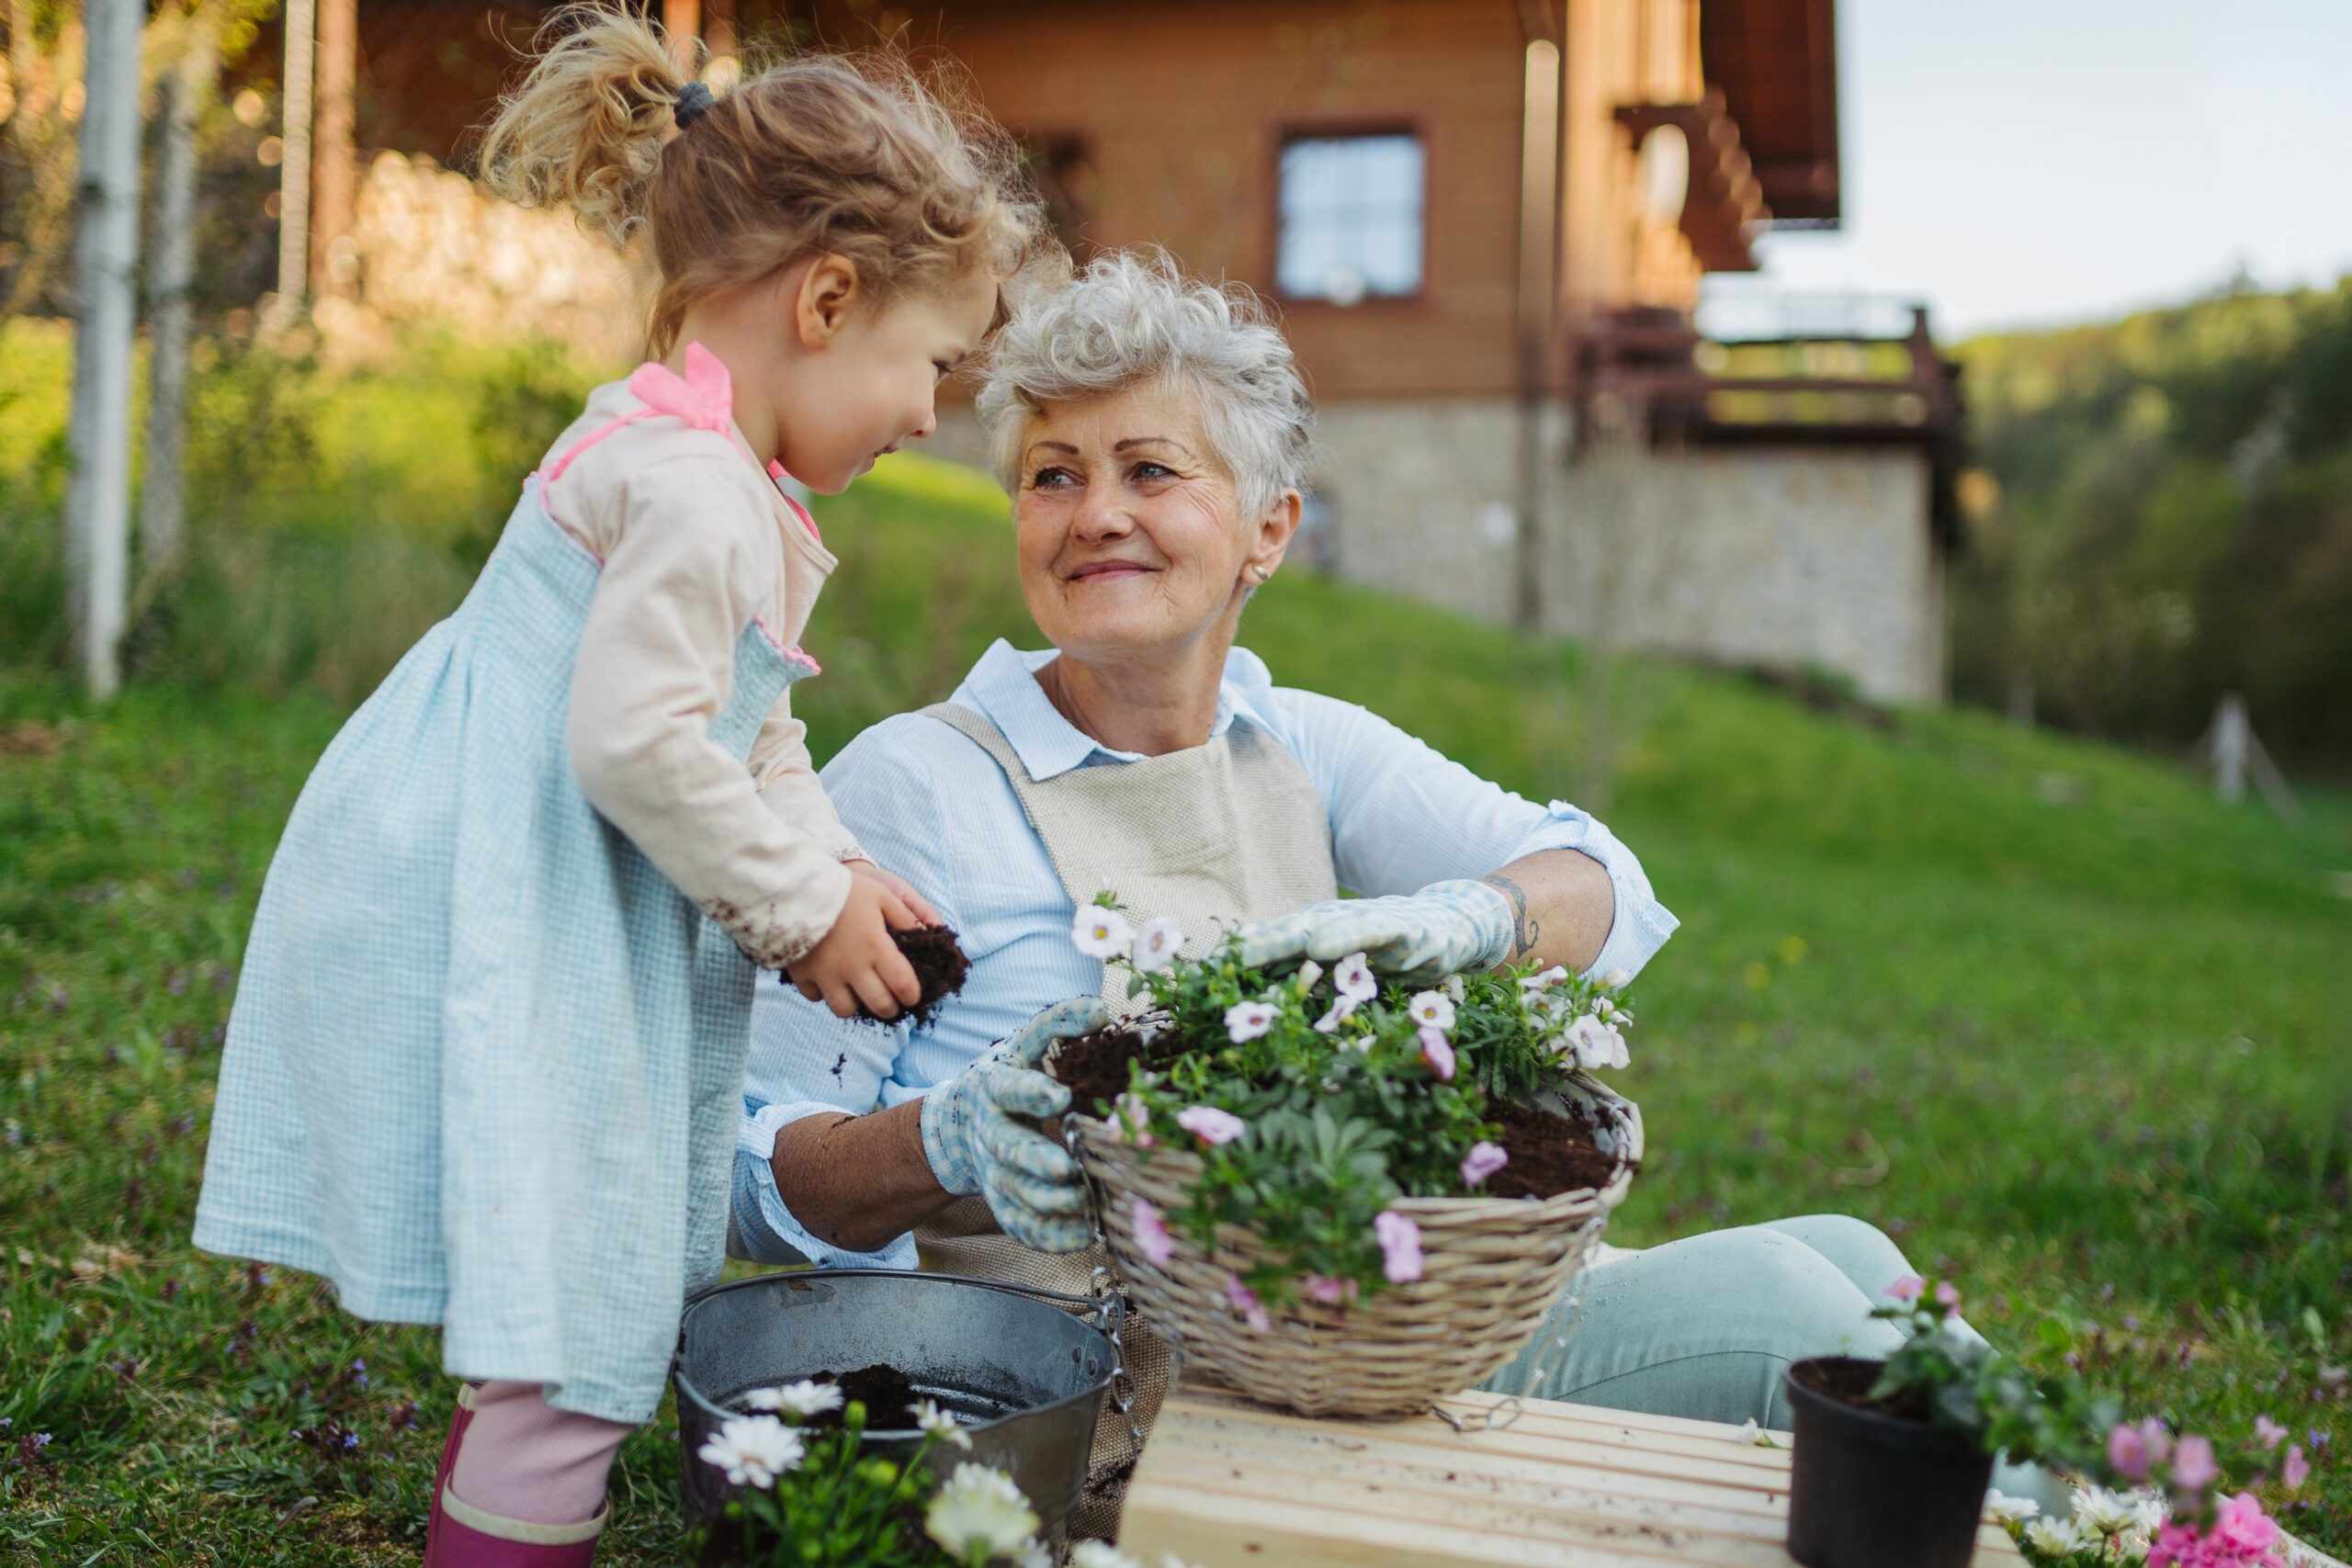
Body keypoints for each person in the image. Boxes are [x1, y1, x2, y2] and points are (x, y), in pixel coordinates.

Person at [733, 250, 2065, 1525]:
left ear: (1268, 532)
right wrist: (940, 1140)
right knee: (1789, 1302)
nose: (1096, 514)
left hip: (1362, 1319)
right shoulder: (917, 781)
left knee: (1849, 1248)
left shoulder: (1295, 742)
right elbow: (748, 1161)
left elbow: (1605, 882)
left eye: (1151, 469)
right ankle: (2111, 1538)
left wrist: (1471, 918)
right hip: (1163, 1405)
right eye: (1051, 475)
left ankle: (2089, 1529)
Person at [191, 9, 1041, 1561]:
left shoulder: (713, 468)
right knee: (581, 1331)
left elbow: (748, 725)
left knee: (564, 1275)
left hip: (537, 888)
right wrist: (795, 915)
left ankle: (503, 1460)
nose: (933, 412)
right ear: (828, 297)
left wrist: (836, 871)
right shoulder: (700, 490)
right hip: (511, 892)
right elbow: (636, 744)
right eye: (929, 364)